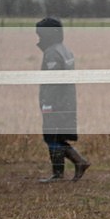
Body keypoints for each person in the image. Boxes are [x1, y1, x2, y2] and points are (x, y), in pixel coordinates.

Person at [36, 17, 90, 182]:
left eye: (40, 34)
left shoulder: (52, 52)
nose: (39, 37)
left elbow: (53, 81)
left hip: (55, 101)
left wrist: (47, 102)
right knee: (58, 136)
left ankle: (74, 164)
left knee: (52, 136)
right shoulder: (65, 50)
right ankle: (64, 170)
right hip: (66, 99)